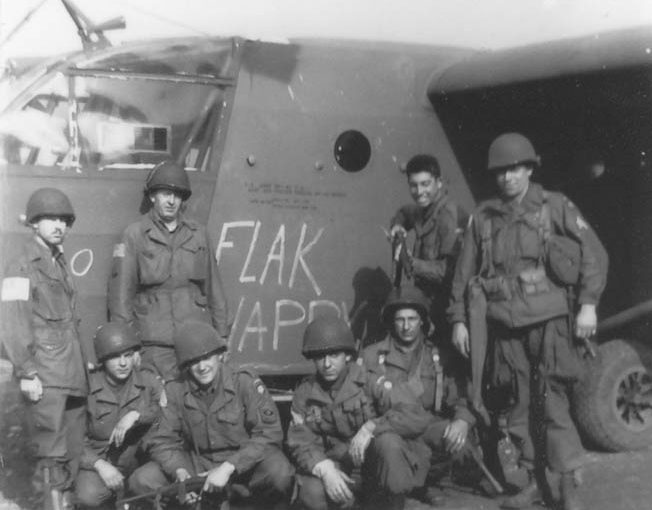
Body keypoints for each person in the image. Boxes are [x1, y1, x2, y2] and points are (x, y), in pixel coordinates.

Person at [448, 133, 608, 510]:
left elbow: (594, 255)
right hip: (503, 326)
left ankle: (568, 488)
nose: (507, 177)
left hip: (548, 322)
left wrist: (588, 305)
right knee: (518, 408)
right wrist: (458, 318)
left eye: (514, 169)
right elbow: (463, 272)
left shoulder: (554, 206)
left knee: (551, 404)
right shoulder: (483, 217)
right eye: (500, 171)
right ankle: (536, 483)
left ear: (530, 169)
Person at [130, 320, 293, 507]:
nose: (202, 367)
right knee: (141, 480)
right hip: (198, 465)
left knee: (280, 472)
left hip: (243, 464)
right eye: (194, 362)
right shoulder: (175, 389)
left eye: (207, 357)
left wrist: (229, 467)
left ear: (219, 355)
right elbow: (161, 440)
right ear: (185, 366)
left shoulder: (244, 382)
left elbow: (268, 434)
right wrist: (180, 473)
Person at [0, 188, 88, 510]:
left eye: (64, 219)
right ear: (33, 223)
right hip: (46, 378)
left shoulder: (59, 262)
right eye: (50, 218)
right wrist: (27, 371)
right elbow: (12, 320)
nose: (58, 225)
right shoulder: (20, 263)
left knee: (71, 457)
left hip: (71, 375)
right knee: (50, 460)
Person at [287, 315, 431, 510]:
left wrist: (372, 427)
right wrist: (325, 469)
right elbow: (300, 442)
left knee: (389, 442)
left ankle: (393, 504)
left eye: (334, 355)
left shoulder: (369, 381)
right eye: (320, 357)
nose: (327, 364)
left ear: (347, 355)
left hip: (374, 468)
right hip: (339, 466)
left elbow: (414, 413)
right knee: (311, 493)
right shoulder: (305, 393)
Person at [108, 160, 229, 381]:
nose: (171, 201)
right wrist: (127, 347)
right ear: (153, 196)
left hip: (196, 342)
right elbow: (121, 298)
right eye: (165, 194)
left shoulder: (199, 234)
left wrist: (221, 337)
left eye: (177, 195)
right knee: (160, 407)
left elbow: (215, 291)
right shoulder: (135, 235)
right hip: (154, 344)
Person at [362, 285, 476, 505]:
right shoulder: (372, 356)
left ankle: (426, 483)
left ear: (422, 320)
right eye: (400, 320)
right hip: (390, 428)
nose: (406, 326)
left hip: (426, 427)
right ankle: (393, 490)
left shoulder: (437, 356)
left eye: (412, 319)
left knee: (462, 441)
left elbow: (459, 394)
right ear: (391, 321)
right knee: (389, 449)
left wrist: (462, 420)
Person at [75, 322, 163, 508]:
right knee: (88, 495)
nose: (123, 363)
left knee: (149, 481)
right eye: (115, 357)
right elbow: (73, 439)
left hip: (139, 461)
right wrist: (99, 465)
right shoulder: (87, 388)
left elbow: (165, 415)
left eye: (128, 355)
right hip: (103, 462)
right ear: (103, 359)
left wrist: (137, 415)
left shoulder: (148, 382)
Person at [390, 154, 465, 338]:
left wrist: (411, 263)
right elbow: (404, 212)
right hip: (429, 305)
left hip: (448, 309)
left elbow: (450, 272)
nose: (419, 191)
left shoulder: (449, 216)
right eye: (413, 185)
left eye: (425, 184)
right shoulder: (423, 209)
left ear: (439, 182)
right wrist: (397, 225)